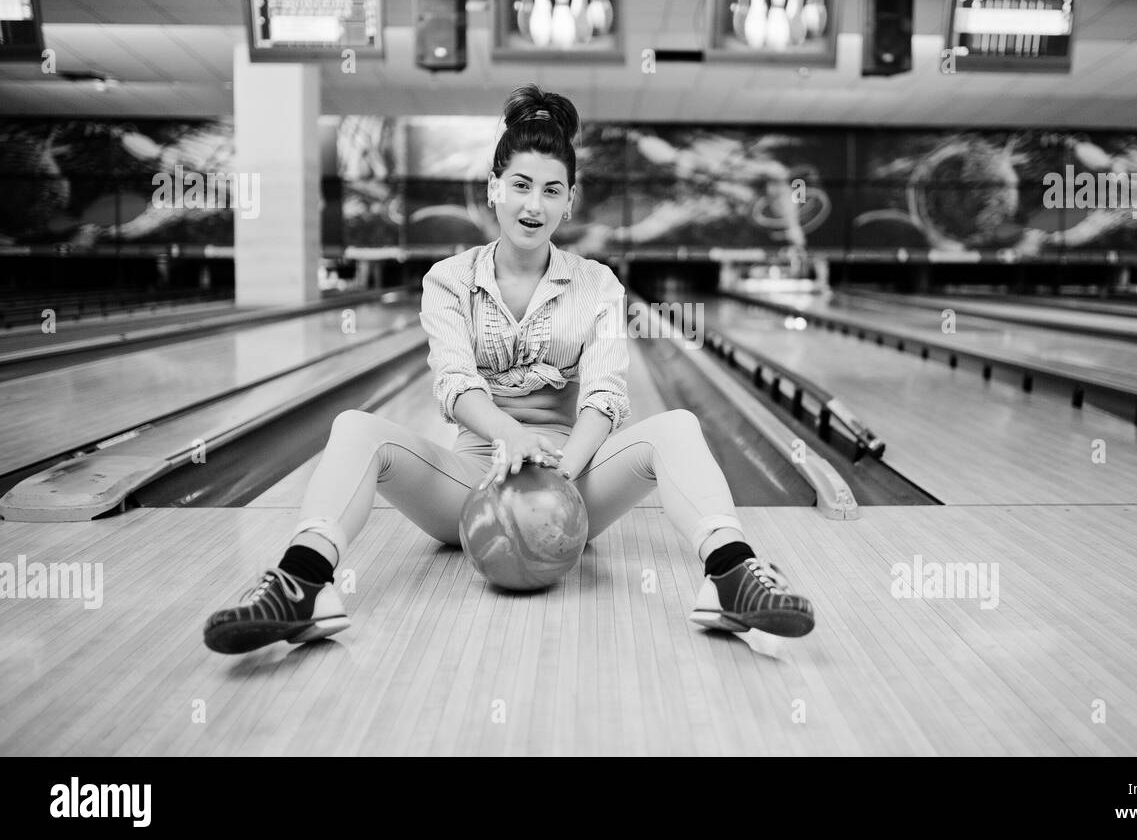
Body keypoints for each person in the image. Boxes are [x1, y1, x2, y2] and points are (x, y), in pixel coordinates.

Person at [203, 85, 815, 654]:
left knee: (678, 425)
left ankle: (731, 577)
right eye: (521, 184)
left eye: (552, 190)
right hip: (473, 483)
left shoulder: (597, 284)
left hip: (573, 482)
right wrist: (509, 436)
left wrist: (563, 474)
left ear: (570, 201)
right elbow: (454, 384)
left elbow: (605, 393)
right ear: (493, 186)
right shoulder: (447, 280)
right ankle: (303, 581)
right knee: (354, 426)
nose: (534, 203)